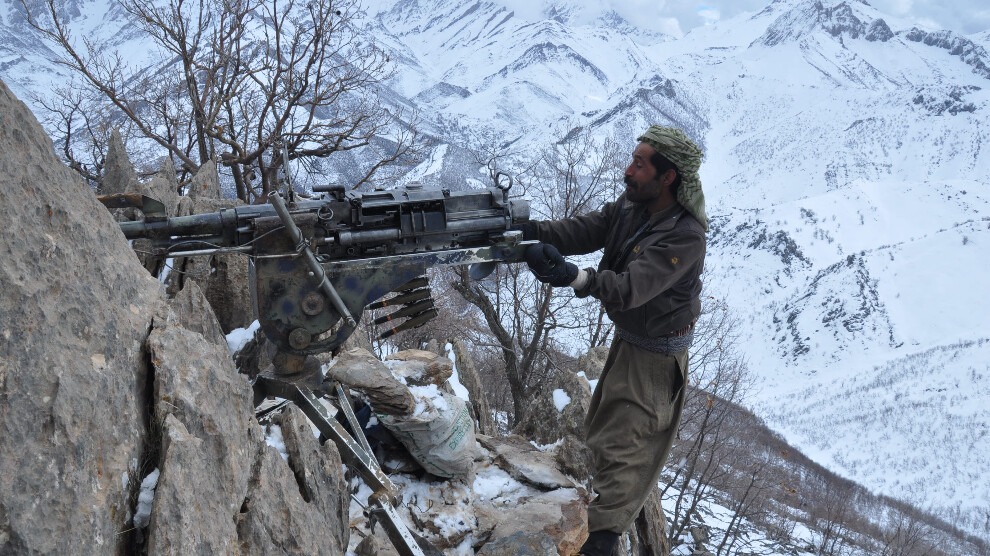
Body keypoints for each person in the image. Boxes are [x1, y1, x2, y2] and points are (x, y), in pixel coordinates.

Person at [519, 125, 708, 556]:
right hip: (631, 342)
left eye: (639, 165)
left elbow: (631, 288)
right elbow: (590, 228)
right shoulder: (634, 204)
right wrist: (531, 233)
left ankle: (601, 541)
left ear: (668, 177)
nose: (628, 171)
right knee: (604, 440)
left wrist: (575, 276)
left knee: (622, 461)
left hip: (655, 364)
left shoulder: (685, 235)